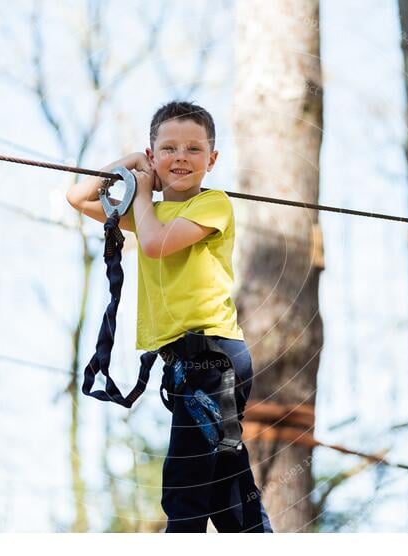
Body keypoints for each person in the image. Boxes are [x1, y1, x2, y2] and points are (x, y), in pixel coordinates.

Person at [66, 101, 272, 533]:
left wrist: (141, 193)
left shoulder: (213, 205)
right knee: (226, 495)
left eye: (194, 149)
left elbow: (156, 245)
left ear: (212, 160)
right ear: (154, 155)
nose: (181, 157)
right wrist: (130, 164)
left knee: (185, 491)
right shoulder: (149, 214)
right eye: (169, 148)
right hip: (184, 366)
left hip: (213, 362)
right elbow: (78, 197)